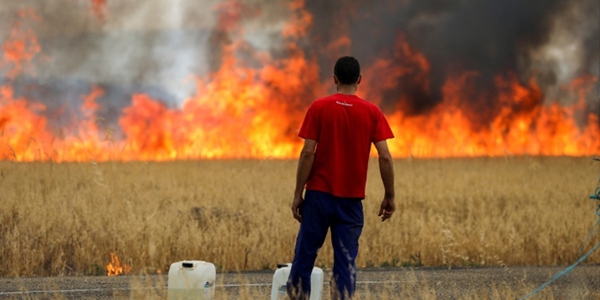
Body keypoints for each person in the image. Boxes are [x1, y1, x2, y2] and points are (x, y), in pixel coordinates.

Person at [287, 56, 396, 300]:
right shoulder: (372, 112)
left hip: (318, 197)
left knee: (304, 256)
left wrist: (297, 194)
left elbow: (307, 153)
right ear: (359, 80)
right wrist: (389, 195)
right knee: (345, 262)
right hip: (351, 202)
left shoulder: (318, 107)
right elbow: (385, 157)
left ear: (334, 79)